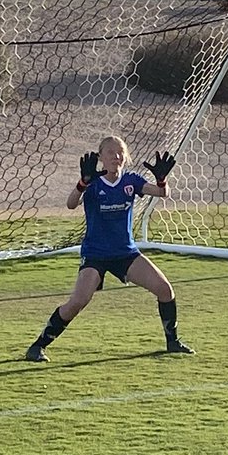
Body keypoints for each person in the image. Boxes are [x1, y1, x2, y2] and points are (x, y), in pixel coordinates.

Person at [25, 135, 194, 362]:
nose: (117, 157)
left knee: (165, 290)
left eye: (120, 153)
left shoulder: (130, 180)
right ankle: (37, 346)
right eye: (111, 153)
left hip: (126, 253)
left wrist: (162, 179)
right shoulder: (92, 182)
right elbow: (71, 203)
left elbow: (162, 193)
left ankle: (173, 342)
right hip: (95, 254)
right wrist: (82, 183)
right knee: (77, 302)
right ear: (101, 157)